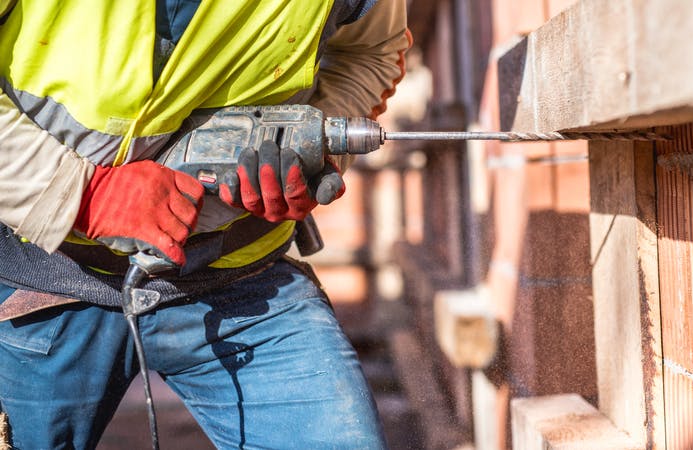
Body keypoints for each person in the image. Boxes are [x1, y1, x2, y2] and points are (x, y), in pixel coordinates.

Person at [0, 0, 411, 448]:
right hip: (42, 275)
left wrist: (315, 147)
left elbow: (372, 51)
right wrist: (78, 193)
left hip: (243, 278)